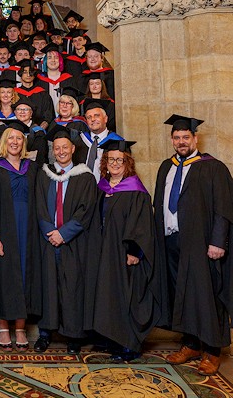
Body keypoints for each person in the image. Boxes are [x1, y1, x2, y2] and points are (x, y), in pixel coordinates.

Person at [153, 115, 233, 375]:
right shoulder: (167, 166)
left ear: (195, 139)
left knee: (207, 295)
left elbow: (224, 208)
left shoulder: (213, 167)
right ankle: (190, 344)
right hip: (172, 240)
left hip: (202, 244)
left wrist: (218, 241)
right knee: (181, 293)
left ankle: (212, 350)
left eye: (185, 137)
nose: (181, 142)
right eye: (176, 138)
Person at [86, 139, 165, 361]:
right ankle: (111, 339)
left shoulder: (136, 190)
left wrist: (134, 252)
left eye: (120, 160)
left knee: (127, 296)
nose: (115, 163)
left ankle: (128, 344)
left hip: (124, 254)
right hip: (105, 253)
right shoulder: (102, 187)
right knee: (108, 295)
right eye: (111, 159)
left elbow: (142, 225)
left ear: (127, 162)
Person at [0, 122, 41, 351]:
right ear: (4, 142)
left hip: (29, 231)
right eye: (10, 138)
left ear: (24, 143)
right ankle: (3, 328)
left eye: (19, 139)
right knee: (3, 278)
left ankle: (20, 328)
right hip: (3, 230)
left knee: (25, 276)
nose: (15, 142)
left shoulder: (32, 168)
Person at [34, 125, 97, 354]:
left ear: (72, 149)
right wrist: (50, 231)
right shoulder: (44, 174)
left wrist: (64, 233)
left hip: (73, 242)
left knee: (72, 287)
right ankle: (45, 334)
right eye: (57, 148)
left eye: (65, 147)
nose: (61, 152)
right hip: (48, 240)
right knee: (48, 286)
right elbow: (39, 205)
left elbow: (86, 210)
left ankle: (73, 336)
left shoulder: (85, 176)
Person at [75, 100, 123, 182]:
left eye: (96, 116)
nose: (93, 119)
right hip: (83, 190)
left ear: (105, 119)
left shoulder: (117, 142)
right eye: (89, 117)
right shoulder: (79, 141)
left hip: (108, 190)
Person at [15, 59, 54, 129]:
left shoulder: (43, 94)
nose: (28, 75)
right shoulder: (15, 93)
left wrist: (42, 126)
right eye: (25, 72)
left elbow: (48, 114)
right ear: (20, 74)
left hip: (40, 129)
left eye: (31, 72)